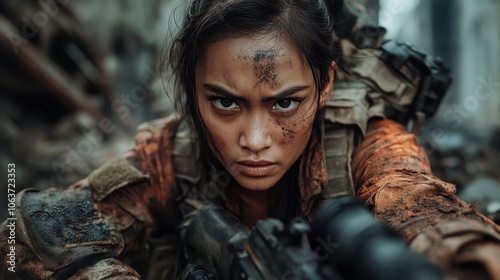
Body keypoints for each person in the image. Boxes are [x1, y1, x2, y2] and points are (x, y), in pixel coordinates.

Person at [2, 0, 500, 279]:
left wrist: (468, 255)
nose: (255, 140)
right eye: (224, 102)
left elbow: (419, 204)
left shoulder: (370, 144)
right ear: (193, 91)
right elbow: (31, 234)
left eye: (285, 102)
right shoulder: (170, 154)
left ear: (325, 85)